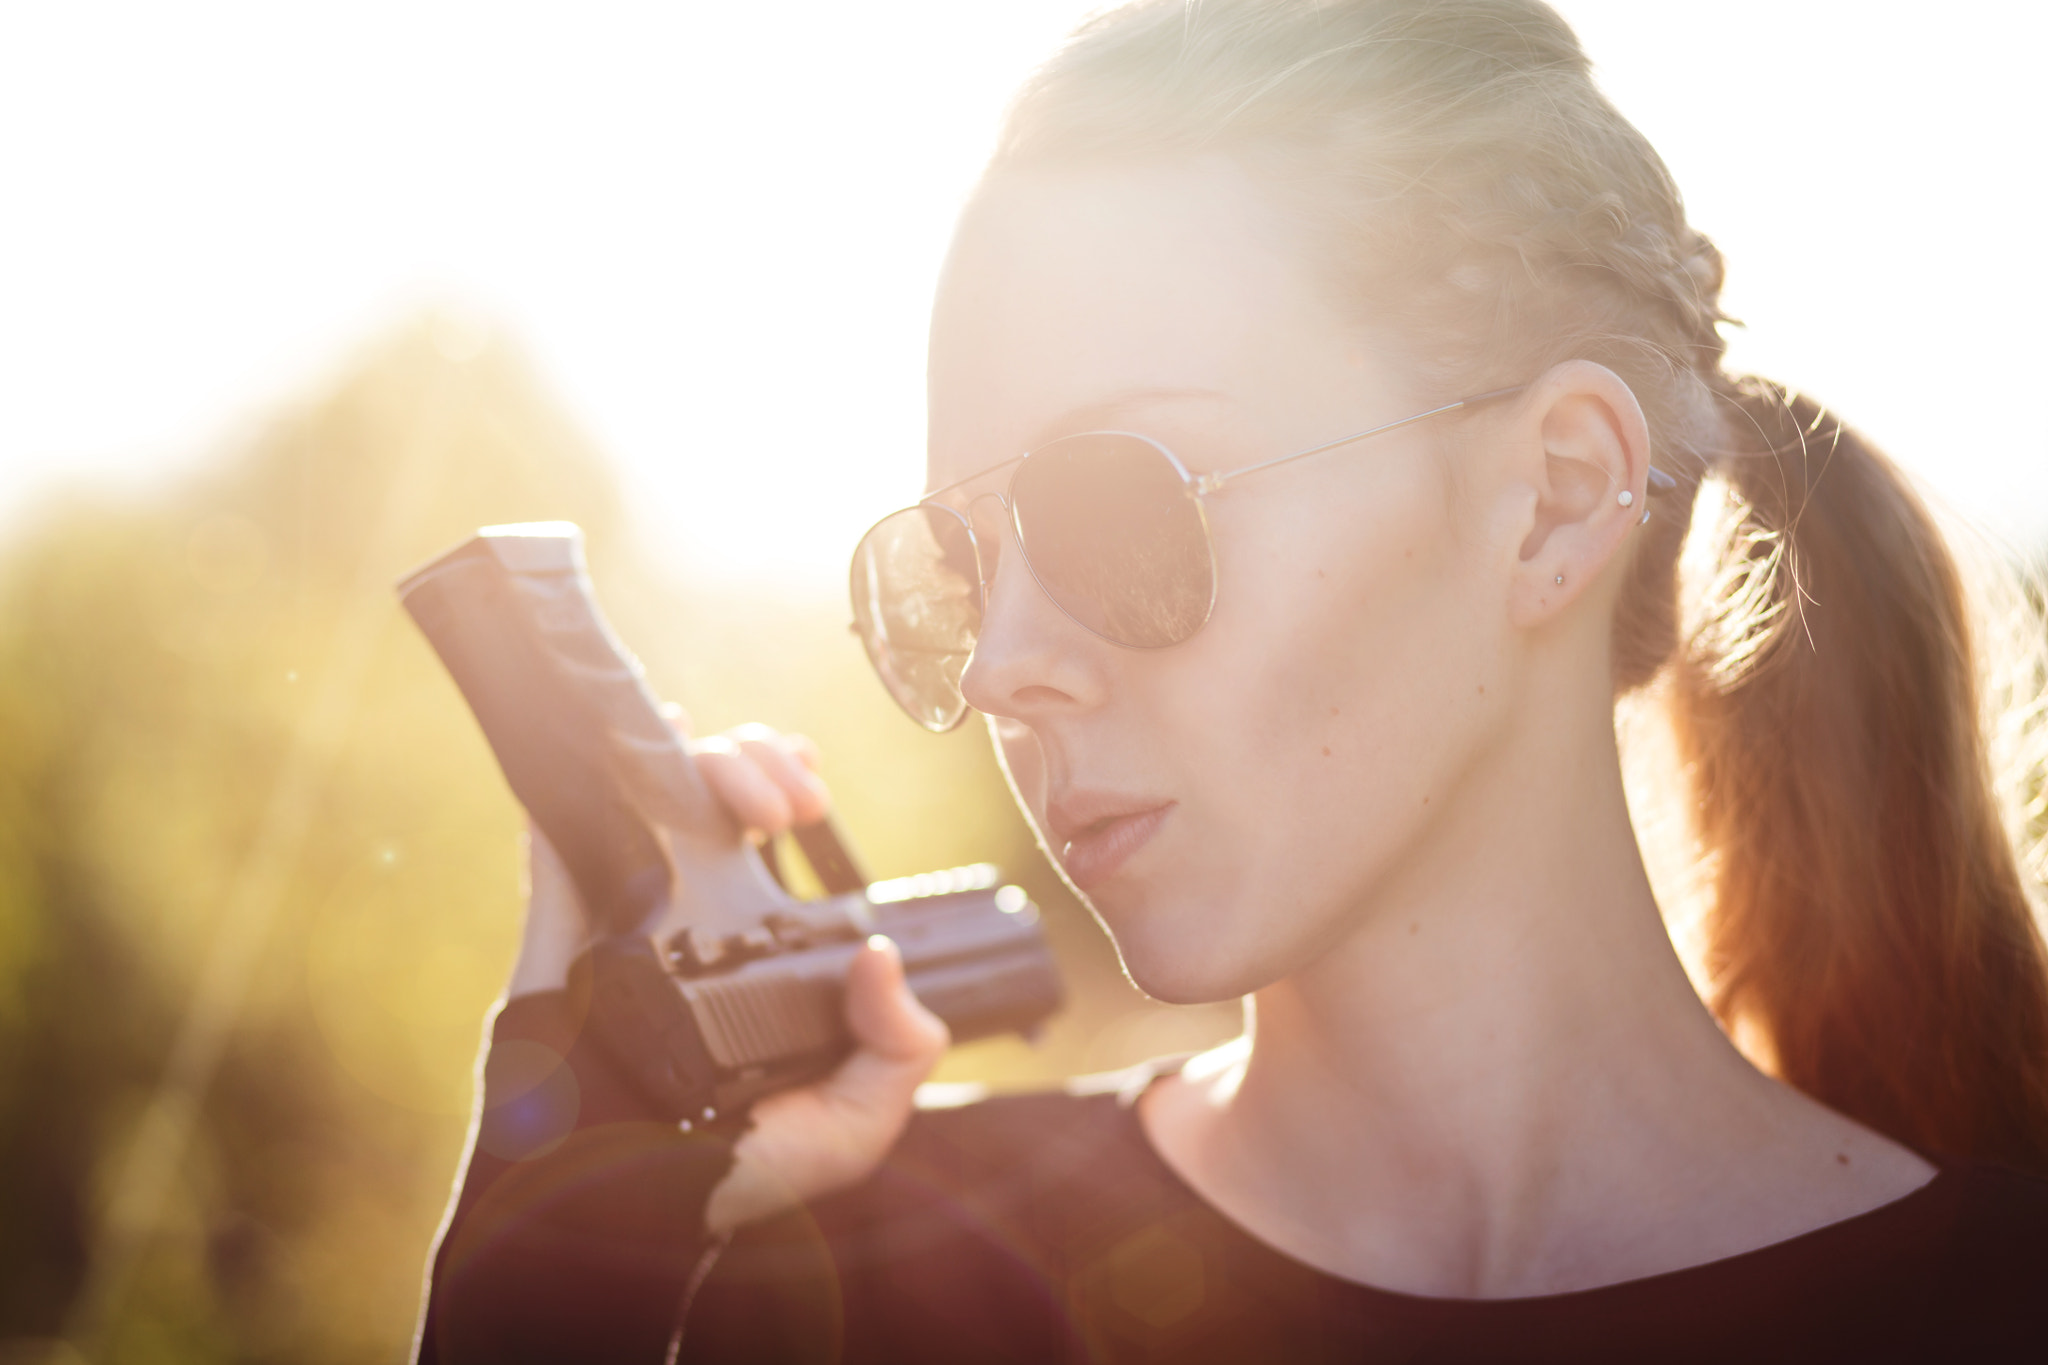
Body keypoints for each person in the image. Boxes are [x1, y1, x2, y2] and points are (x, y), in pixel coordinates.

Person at [414, 1, 2048, 1360]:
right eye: (953, 565)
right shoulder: (864, 1286)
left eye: (1124, 503)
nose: (1000, 664)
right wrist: (558, 1257)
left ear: (1554, 496)